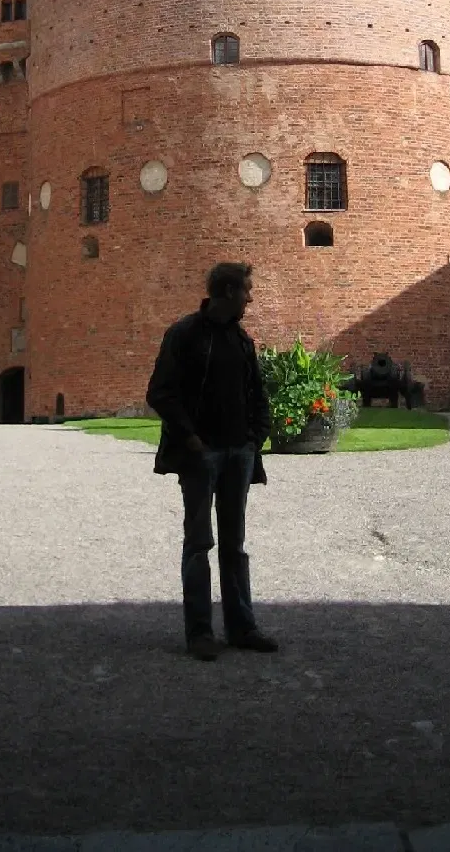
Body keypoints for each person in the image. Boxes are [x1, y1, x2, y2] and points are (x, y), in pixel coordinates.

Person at [146, 261, 277, 661]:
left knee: (234, 545)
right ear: (227, 291)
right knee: (199, 543)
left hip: (238, 451)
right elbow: (160, 392)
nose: (251, 299)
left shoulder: (240, 339)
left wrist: (256, 436)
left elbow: (256, 391)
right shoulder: (185, 334)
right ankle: (200, 633)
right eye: (246, 291)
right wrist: (191, 438)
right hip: (201, 455)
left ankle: (241, 627)